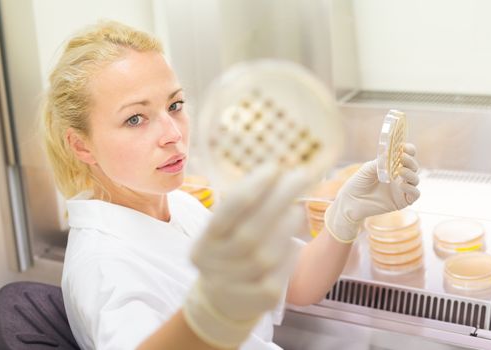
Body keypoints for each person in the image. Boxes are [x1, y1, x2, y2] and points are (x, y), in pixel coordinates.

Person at [42, 20, 420, 350]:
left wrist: (345, 215)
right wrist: (213, 311)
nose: (173, 134)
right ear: (81, 145)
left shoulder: (177, 205)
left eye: (174, 105)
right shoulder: (104, 267)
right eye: (136, 119)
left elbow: (298, 282)